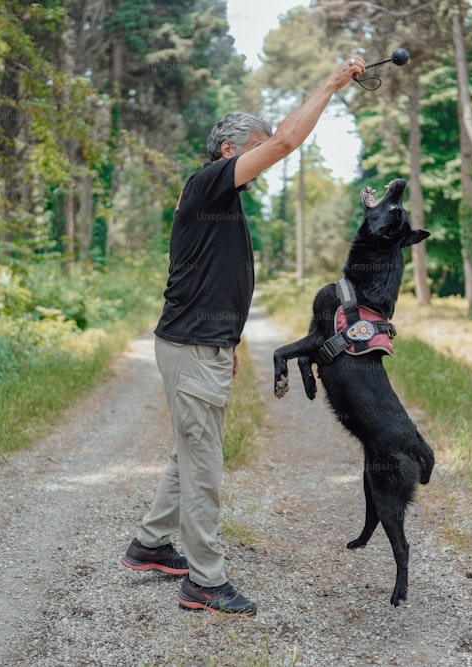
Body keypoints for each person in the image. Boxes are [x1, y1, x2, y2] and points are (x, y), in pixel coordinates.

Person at [121, 54, 368, 616]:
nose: (267, 160)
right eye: (255, 150)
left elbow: (213, 279)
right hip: (189, 347)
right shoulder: (209, 184)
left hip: (199, 344)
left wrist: (226, 343)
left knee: (192, 449)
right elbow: (283, 142)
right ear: (231, 151)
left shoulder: (218, 198)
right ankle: (204, 582)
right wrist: (331, 81)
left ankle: (150, 544)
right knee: (204, 461)